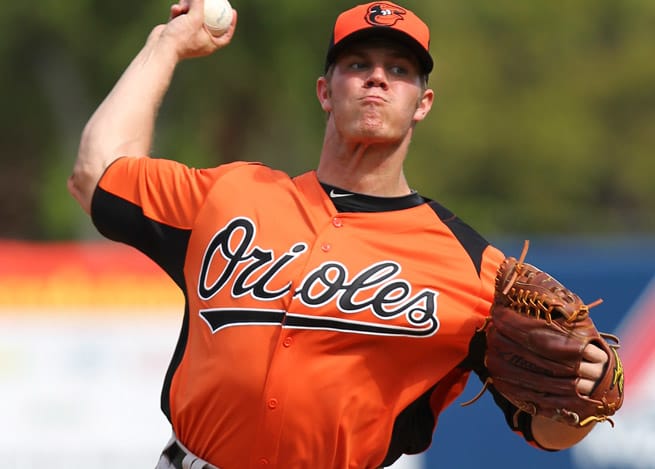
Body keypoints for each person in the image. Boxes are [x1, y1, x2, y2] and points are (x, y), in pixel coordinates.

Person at [68, 1, 613, 468]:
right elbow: (97, 173)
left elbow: (545, 431)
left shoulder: (475, 269)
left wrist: (588, 396)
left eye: (399, 69)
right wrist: (165, 45)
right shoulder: (231, 197)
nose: (377, 77)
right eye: (358, 64)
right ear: (325, 92)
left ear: (422, 104)